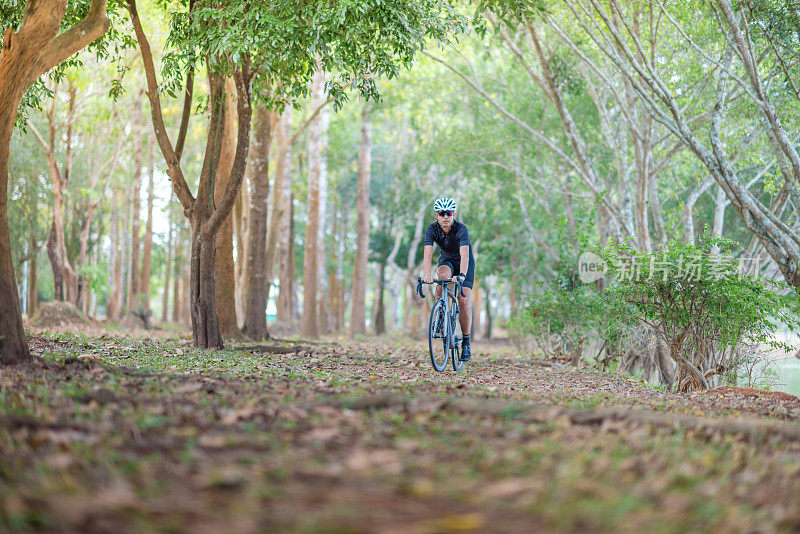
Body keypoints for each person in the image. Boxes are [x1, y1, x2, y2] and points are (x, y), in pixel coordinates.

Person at [421, 196, 475, 361]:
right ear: (436, 215)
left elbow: (464, 254)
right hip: (447, 261)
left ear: (453, 214)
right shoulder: (432, 229)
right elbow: (428, 253)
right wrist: (428, 275)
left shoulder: (461, 229)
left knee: (463, 299)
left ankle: (466, 341)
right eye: (442, 213)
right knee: (442, 277)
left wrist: (462, 275)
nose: (446, 216)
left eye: (449, 213)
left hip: (464, 264)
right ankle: (441, 312)